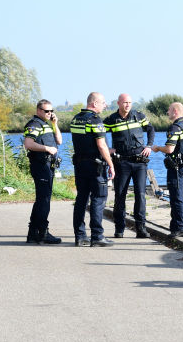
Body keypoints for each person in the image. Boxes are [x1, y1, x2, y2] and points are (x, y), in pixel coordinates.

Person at [104, 93, 154, 239]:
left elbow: (151, 129)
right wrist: (108, 149)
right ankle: (119, 228)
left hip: (139, 163)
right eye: (125, 102)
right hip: (122, 163)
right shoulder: (111, 120)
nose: (127, 105)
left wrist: (149, 146)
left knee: (140, 195)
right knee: (120, 196)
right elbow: (98, 134)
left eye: (130, 102)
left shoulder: (139, 116)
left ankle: (141, 228)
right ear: (118, 103)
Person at [70, 92, 115, 247]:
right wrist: (111, 164)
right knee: (98, 198)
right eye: (103, 103)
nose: (105, 106)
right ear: (95, 103)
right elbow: (101, 145)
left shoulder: (76, 119)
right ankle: (97, 236)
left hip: (80, 165)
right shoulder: (95, 120)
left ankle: (80, 236)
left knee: (81, 199)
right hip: (95, 167)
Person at [151, 102, 183, 238]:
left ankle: (181, 227)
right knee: (182, 197)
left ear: (175, 111)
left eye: (169, 110)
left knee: (176, 198)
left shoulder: (175, 128)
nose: (167, 112)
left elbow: (169, 149)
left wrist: (157, 148)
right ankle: (175, 226)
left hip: (176, 168)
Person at [22, 99, 63, 244]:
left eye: (51, 111)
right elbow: (28, 144)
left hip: (48, 166)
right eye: (47, 111)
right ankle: (43, 233)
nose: (49, 113)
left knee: (42, 200)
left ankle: (33, 234)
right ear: (39, 110)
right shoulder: (34, 125)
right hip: (40, 165)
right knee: (44, 200)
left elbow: (59, 141)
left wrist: (54, 124)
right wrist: (47, 148)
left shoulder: (47, 124)